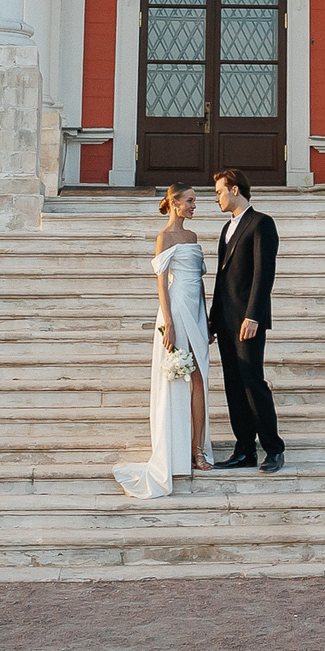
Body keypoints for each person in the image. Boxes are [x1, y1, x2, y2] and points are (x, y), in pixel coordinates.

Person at [112, 184, 214, 498]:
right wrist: (168, 322)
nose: (194, 205)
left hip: (196, 312)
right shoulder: (164, 238)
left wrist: (207, 319)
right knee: (180, 377)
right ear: (174, 203)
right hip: (175, 313)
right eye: (190, 201)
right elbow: (162, 285)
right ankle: (179, 448)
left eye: (195, 201)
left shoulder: (193, 238)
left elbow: (198, 282)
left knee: (199, 380)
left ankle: (199, 449)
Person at [208, 168, 284, 472]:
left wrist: (254, 315)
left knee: (253, 382)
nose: (216, 197)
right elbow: (221, 279)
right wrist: (213, 319)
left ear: (235, 189)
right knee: (233, 384)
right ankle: (244, 449)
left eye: (219, 191)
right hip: (226, 320)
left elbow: (264, 275)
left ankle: (274, 449)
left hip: (247, 320)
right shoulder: (226, 228)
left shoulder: (261, 223)